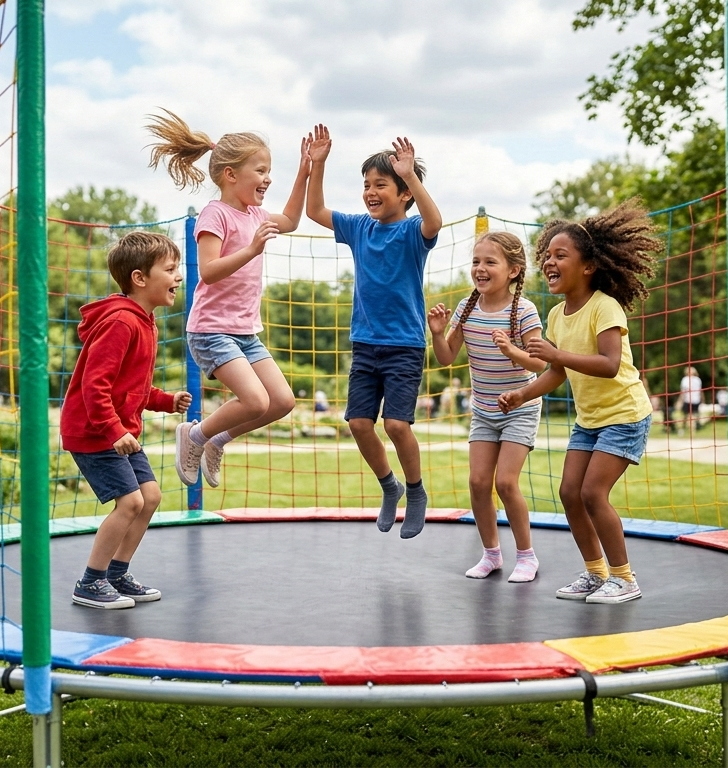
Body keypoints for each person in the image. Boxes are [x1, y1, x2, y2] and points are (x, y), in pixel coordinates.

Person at [497, 200, 660, 604]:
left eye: (560, 255)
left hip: (624, 414)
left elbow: (606, 365)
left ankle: (624, 578)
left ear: (588, 265)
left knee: (591, 493)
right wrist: (522, 393)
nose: (549, 262)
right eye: (547, 255)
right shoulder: (556, 315)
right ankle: (594, 572)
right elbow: (556, 373)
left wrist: (557, 356)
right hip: (591, 420)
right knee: (569, 492)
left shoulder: (605, 307)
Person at [147, 110, 308, 489]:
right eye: (260, 170)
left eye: (270, 171)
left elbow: (292, 219)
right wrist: (251, 250)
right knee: (254, 400)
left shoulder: (257, 214)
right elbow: (208, 271)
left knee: (282, 401)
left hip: (245, 332)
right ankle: (196, 436)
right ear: (231, 174)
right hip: (211, 330)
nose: (268, 179)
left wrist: (305, 170)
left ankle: (218, 439)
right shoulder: (214, 214)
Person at [306, 124, 442, 538]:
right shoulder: (359, 228)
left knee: (397, 426)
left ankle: (416, 492)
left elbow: (434, 220)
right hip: (366, 345)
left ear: (403, 194)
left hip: (403, 346)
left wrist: (411, 174)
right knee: (359, 423)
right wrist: (319, 165)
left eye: (381, 184)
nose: (370, 191)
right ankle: (390, 485)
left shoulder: (411, 232)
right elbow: (314, 211)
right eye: (366, 184)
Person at [60, 232, 193, 610]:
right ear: (140, 278)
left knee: (150, 497)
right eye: (169, 269)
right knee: (130, 502)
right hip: (94, 430)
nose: (177, 277)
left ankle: (117, 573)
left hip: (119, 432)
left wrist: (166, 401)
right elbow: (94, 384)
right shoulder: (121, 321)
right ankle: (90, 581)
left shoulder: (144, 323)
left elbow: (133, 388)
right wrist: (114, 430)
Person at [429, 231, 545, 582]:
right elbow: (447, 357)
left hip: (520, 407)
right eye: (476, 262)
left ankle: (526, 556)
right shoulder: (466, 309)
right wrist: (436, 332)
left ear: (513, 270)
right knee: (479, 482)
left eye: (490, 262)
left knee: (506, 482)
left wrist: (513, 352)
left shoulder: (523, 310)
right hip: (483, 409)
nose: (480, 268)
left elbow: (541, 365)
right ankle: (491, 554)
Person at [679, 365, 703, 433]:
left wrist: (680, 401)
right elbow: (701, 391)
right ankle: (691, 429)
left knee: (687, 416)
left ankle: (688, 429)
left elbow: (683, 392)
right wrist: (702, 400)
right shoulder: (698, 379)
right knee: (690, 416)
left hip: (689, 400)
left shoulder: (685, 379)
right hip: (695, 400)